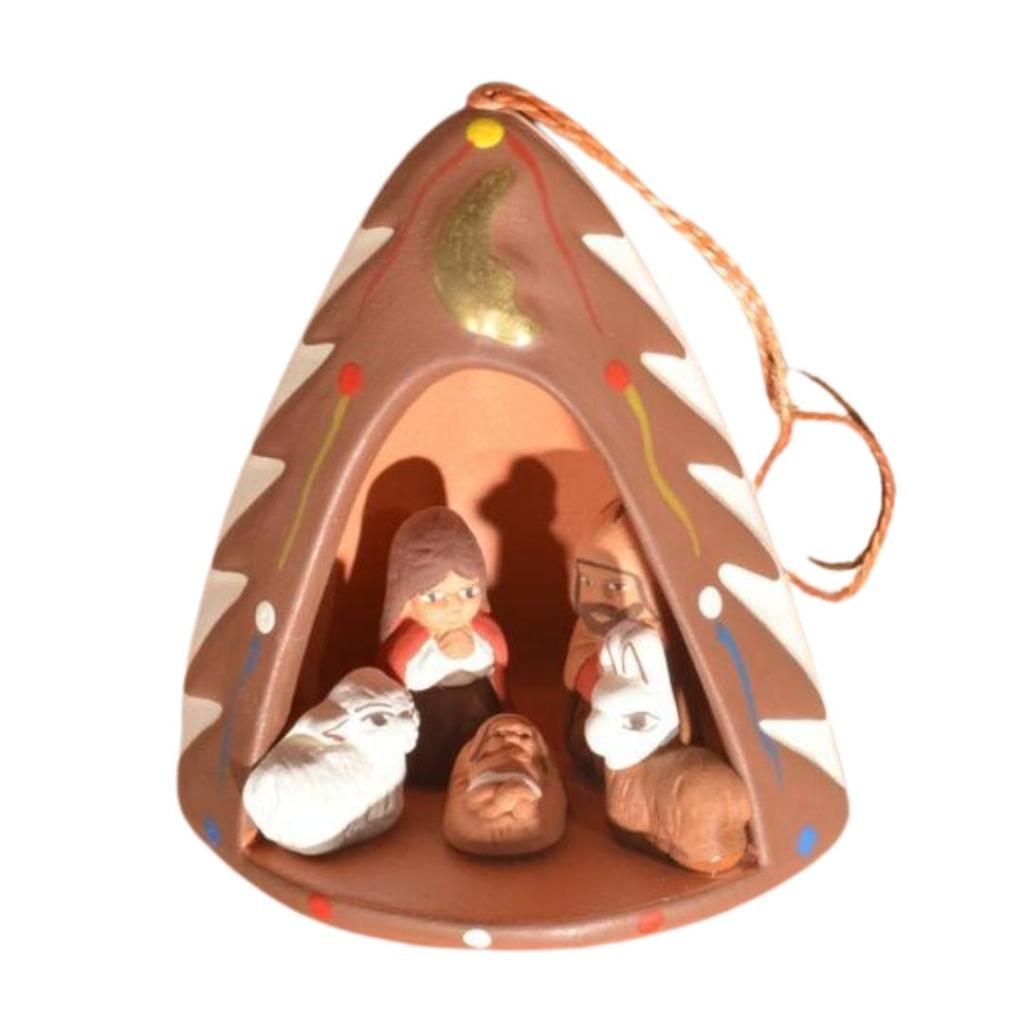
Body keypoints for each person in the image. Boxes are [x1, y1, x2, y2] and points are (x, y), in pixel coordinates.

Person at [379, 507, 508, 784]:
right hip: (429, 710)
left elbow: (496, 665)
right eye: (434, 597)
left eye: (468, 592)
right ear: (405, 600)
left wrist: (471, 652)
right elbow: (401, 677)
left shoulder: (482, 630)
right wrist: (440, 653)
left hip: (476, 705)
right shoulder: (412, 641)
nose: (454, 606)